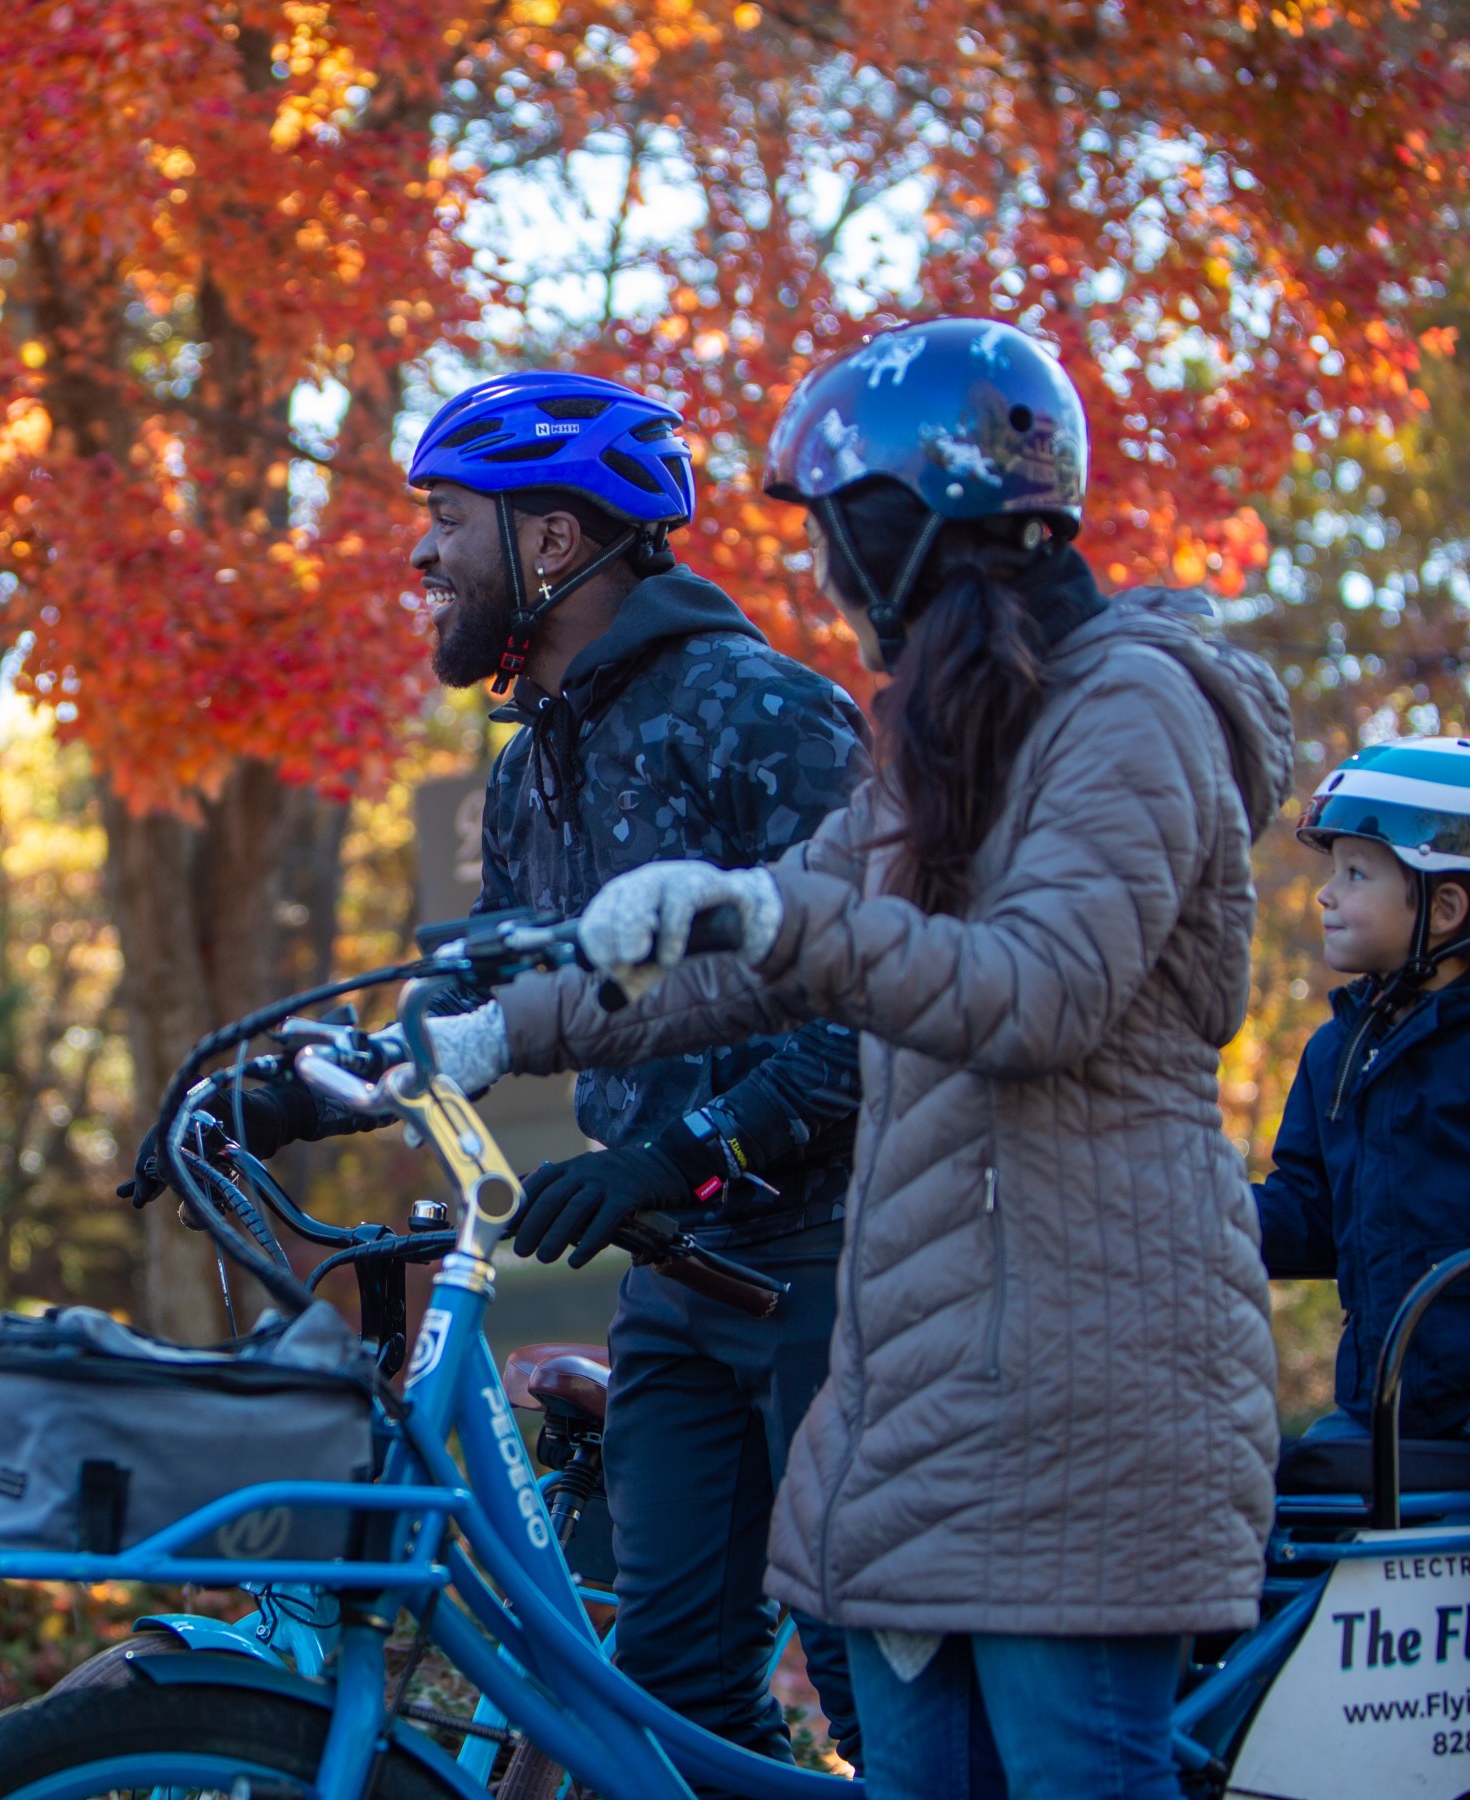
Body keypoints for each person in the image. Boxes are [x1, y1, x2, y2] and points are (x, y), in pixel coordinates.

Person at [479, 318, 1292, 1799]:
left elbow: (1036, 991)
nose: (838, 578)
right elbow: (734, 953)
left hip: (1087, 1382)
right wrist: (491, 1026)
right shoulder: (943, 742)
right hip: (922, 1391)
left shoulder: (1131, 709)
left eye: (847, 530)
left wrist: (773, 913)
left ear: (929, 517)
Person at [409, 369, 868, 1774]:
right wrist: (314, 1078)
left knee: (883, 1697)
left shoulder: (764, 714)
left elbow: (866, 1011)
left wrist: (676, 1155)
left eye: (446, 519)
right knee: (673, 1705)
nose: (420, 554)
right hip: (677, 1282)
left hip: (844, 1279)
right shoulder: (525, 766)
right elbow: (494, 989)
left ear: (552, 542)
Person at [1257, 738, 1470, 1460]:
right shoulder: (1336, 1052)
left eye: (1356, 873)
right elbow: (1308, 1215)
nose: (1326, 893)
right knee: (1273, 1487)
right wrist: (1196, 1215)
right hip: (1381, 1410)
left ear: (1443, 906)